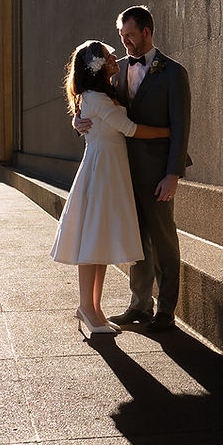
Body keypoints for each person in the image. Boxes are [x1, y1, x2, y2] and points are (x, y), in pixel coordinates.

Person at [74, 6, 191, 332]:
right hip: (121, 173)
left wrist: (173, 174)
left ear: (147, 32)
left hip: (157, 174)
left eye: (130, 35)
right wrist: (77, 121)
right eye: (121, 36)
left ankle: (166, 310)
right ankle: (139, 305)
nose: (124, 42)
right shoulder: (116, 69)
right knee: (136, 242)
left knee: (164, 241)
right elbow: (94, 105)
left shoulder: (173, 73)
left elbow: (181, 127)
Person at [50, 40, 172, 335]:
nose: (114, 56)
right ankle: (86, 307)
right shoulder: (96, 96)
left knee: (99, 241)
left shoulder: (102, 93)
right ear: (97, 66)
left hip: (110, 169)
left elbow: (93, 118)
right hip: (102, 171)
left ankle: (94, 307)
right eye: (108, 56)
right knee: (91, 240)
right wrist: (170, 131)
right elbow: (130, 129)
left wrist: (77, 121)